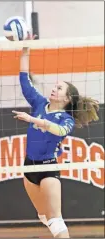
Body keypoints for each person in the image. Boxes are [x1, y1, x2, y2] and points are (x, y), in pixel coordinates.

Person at [12, 46, 99, 238]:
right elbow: (24, 81)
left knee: (55, 219)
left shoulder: (65, 119)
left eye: (59, 88)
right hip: (29, 168)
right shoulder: (39, 103)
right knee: (43, 216)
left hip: (47, 168)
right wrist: (25, 52)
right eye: (55, 85)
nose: (54, 88)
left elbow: (57, 130)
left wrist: (32, 120)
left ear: (67, 98)